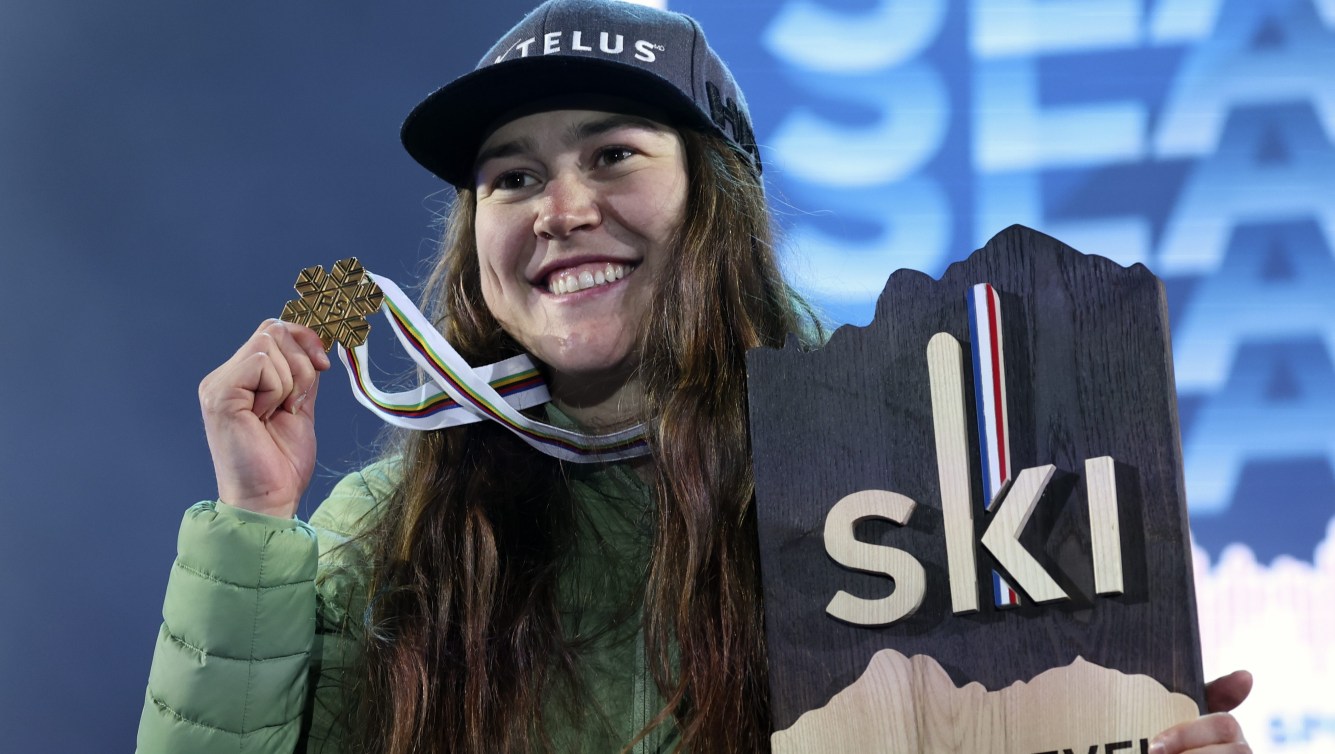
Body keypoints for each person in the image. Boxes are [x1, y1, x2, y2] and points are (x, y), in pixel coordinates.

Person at [137, 1, 1254, 752]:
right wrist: (254, 528)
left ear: (716, 200)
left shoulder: (913, 483)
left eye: (613, 153)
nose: (562, 210)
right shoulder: (390, 524)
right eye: (513, 176)